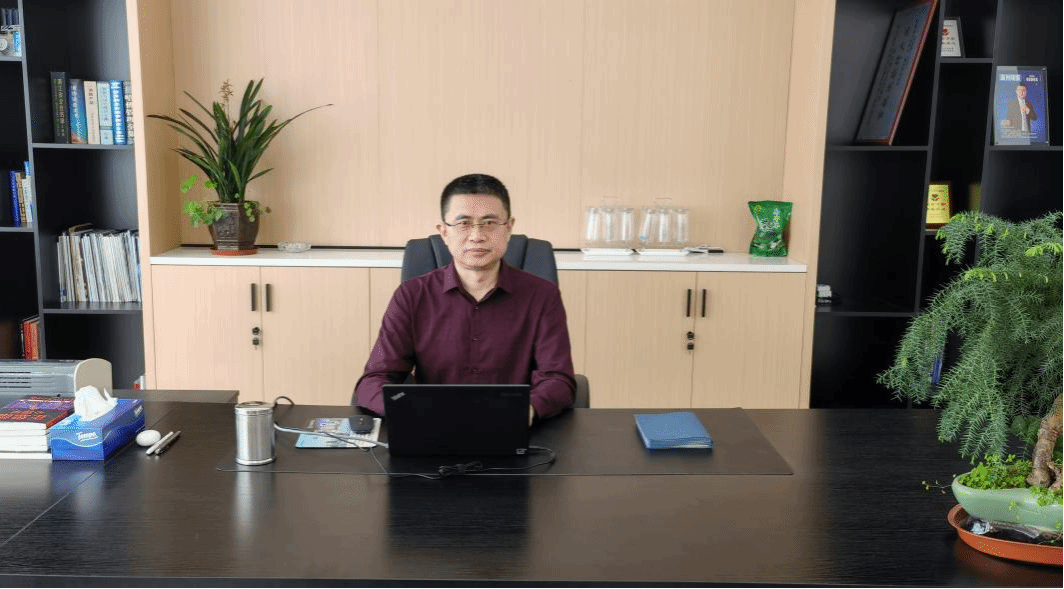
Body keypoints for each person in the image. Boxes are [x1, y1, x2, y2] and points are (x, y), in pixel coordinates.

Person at [353, 173, 576, 425]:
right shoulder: (411, 296)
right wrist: (410, 411)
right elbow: (375, 379)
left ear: (509, 228)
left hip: (513, 428)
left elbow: (559, 379)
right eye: (463, 223)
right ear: (444, 232)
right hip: (431, 427)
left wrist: (527, 410)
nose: (477, 235)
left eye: (489, 222)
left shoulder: (542, 296)